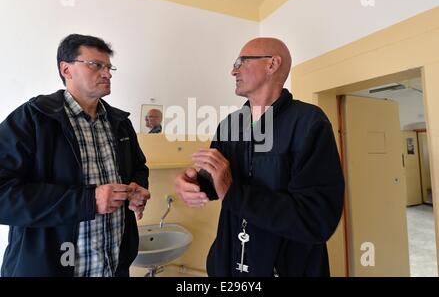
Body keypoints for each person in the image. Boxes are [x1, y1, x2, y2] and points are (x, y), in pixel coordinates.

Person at [174, 37, 344, 276]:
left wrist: (232, 190)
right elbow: (217, 181)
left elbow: (316, 219)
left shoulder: (309, 123)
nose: (233, 70)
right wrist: (196, 183)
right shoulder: (230, 124)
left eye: (241, 61)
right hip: (229, 264)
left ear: (272, 64)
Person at [0, 34, 150, 277]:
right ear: (66, 69)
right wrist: (88, 202)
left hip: (112, 268)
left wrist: (137, 189)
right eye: (96, 65)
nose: (107, 73)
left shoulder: (120, 123)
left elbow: (138, 168)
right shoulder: (32, 119)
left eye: (109, 67)